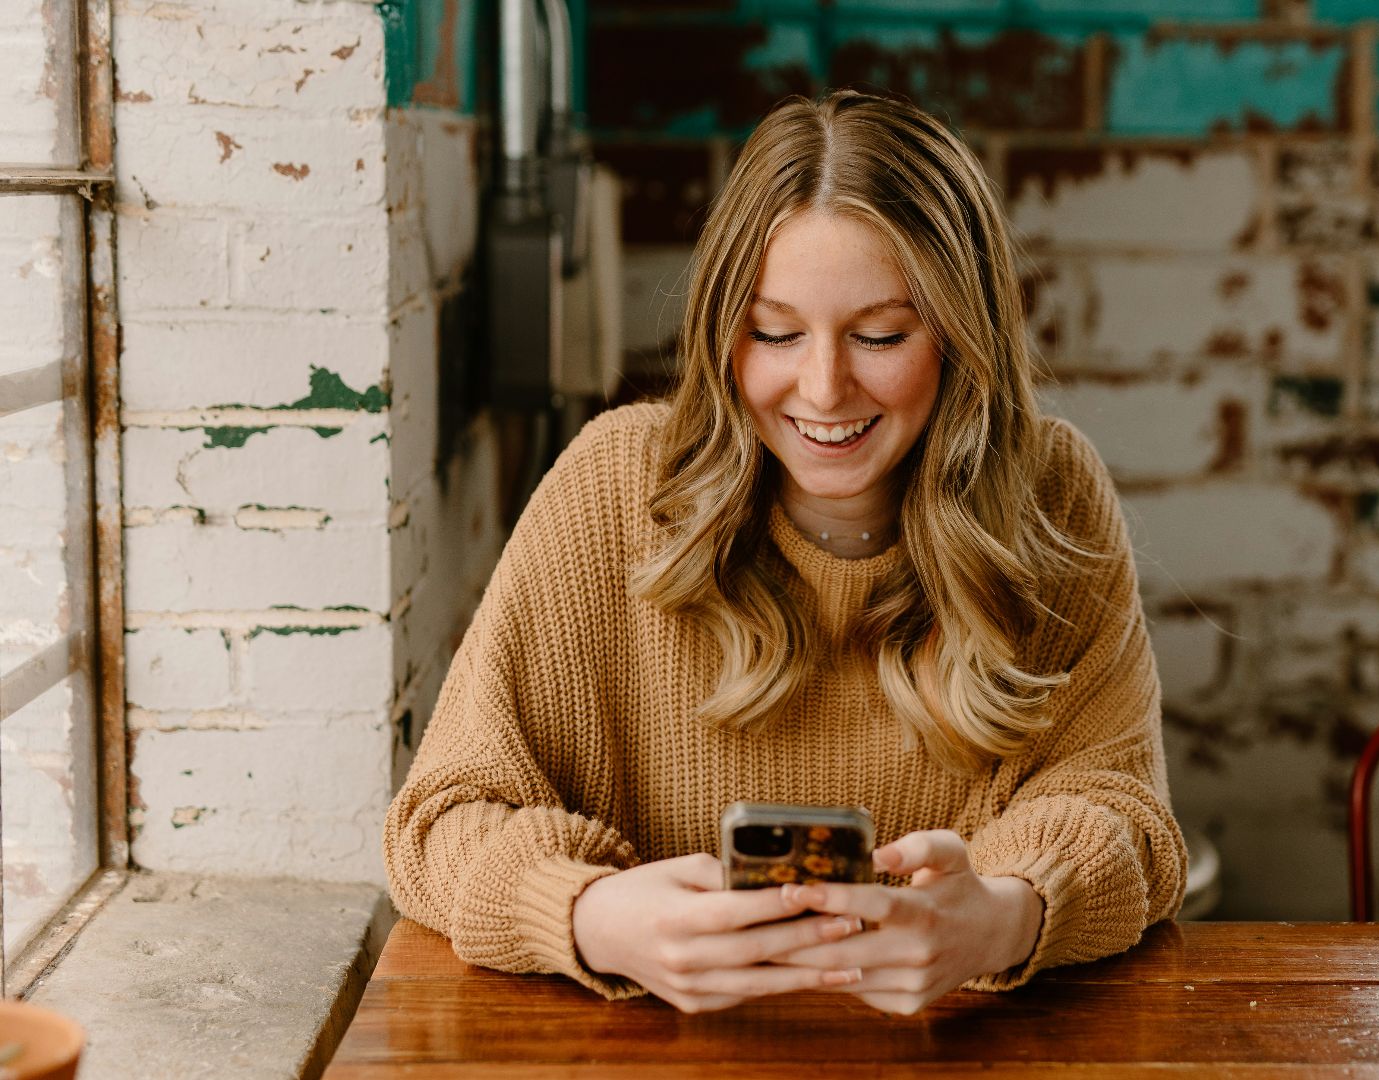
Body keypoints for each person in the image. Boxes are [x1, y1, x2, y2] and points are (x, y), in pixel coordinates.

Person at [383, 89, 1186, 1016]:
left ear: (964, 341)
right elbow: (440, 822)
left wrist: (1002, 919)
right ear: (725, 330)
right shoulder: (610, 487)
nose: (823, 387)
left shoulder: (1052, 493)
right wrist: (593, 916)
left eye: (881, 335)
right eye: (775, 332)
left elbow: (1126, 816)